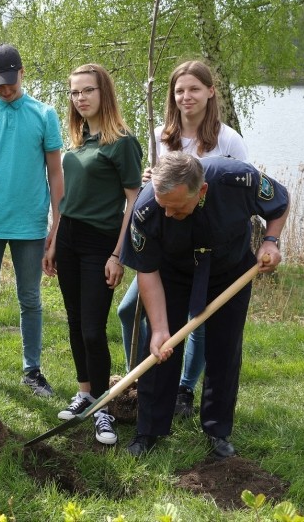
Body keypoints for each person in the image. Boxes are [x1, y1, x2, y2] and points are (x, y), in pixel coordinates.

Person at [122, 151, 289, 458]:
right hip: (173, 273)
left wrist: (271, 241)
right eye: (164, 207)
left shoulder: (237, 179)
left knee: (224, 349)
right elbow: (147, 270)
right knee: (159, 348)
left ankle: (217, 431)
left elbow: (279, 201)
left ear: (202, 191)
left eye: (177, 207)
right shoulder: (146, 208)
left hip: (229, 270)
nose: (169, 214)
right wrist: (159, 328)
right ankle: (149, 429)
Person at [117, 60, 249, 419]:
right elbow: (159, 191)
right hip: (168, 245)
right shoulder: (162, 135)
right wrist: (150, 179)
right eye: (179, 91)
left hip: (210, 247)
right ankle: (142, 372)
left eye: (193, 89)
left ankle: (185, 389)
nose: (186, 97)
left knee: (198, 318)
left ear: (210, 92)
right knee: (129, 308)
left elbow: (242, 191)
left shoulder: (229, 140)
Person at [43, 64, 142, 445]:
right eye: (74, 92)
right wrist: (53, 242)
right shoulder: (78, 140)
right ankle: (85, 392)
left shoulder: (122, 143)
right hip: (68, 237)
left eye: (87, 91)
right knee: (73, 321)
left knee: (92, 328)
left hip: (101, 242)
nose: (80, 98)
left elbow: (133, 200)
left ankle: (104, 408)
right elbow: (66, 200)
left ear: (104, 94)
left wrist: (119, 254)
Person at [0, 43, 64, 397]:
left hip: (30, 224)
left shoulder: (45, 114)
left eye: (10, 83)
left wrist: (56, 224)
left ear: (22, 72)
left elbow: (55, 173)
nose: (5, 90)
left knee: (30, 299)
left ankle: (32, 371)